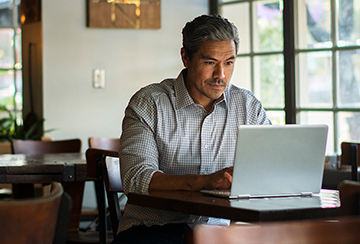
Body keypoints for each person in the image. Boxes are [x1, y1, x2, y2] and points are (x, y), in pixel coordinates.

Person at [112, 14, 272, 244]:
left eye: (229, 62)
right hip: (152, 231)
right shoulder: (149, 103)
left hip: (220, 234)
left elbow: (271, 168)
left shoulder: (248, 107)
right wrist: (206, 182)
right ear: (185, 57)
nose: (221, 75)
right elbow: (136, 179)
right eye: (210, 62)